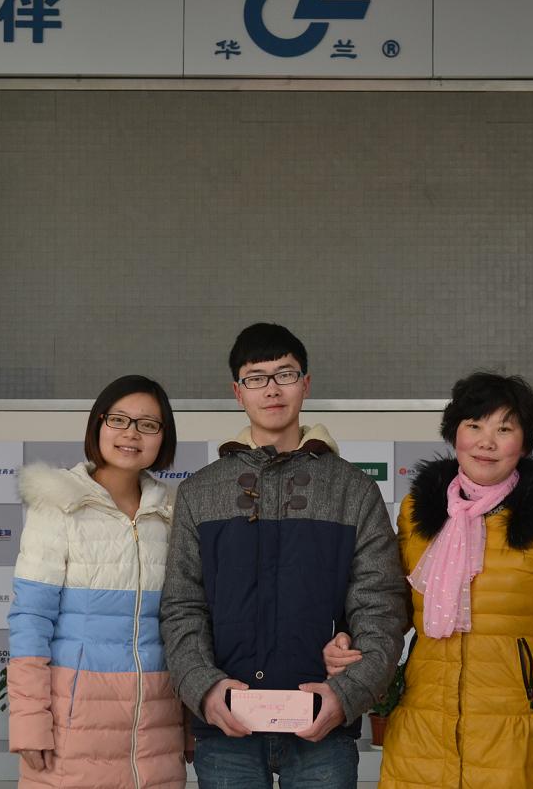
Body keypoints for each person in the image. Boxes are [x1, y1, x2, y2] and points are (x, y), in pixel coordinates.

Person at [160, 323, 408, 789]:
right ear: (238, 392)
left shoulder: (353, 490)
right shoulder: (200, 492)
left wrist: (347, 692)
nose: (272, 389)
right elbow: (181, 606)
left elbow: (382, 605)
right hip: (227, 729)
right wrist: (204, 689)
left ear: (305, 384)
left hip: (322, 727)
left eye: (285, 374)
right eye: (256, 378)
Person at [372, 372, 533, 789]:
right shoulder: (417, 514)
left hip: (517, 737)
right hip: (424, 731)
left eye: (504, 429)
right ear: (454, 434)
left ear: (525, 443)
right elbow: (392, 609)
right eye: (475, 425)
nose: (487, 442)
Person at [6, 375, 186, 789]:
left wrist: (191, 723)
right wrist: (29, 720)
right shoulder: (60, 504)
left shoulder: (173, 513)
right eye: (118, 419)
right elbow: (30, 619)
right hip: (74, 726)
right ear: (98, 424)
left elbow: (186, 624)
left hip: (156, 726)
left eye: (148, 424)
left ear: (164, 437)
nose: (131, 434)